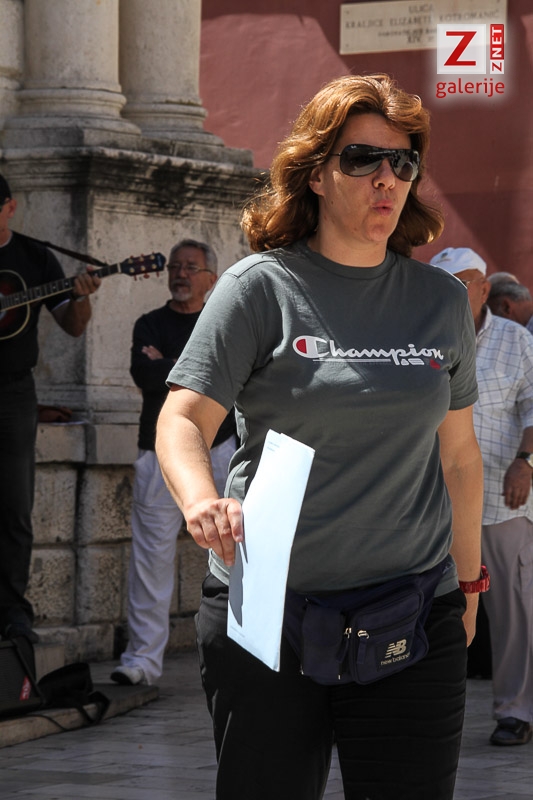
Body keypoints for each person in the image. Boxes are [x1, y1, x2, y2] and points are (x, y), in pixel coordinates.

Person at [156, 74, 484, 800]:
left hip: (411, 611)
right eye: (363, 159)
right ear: (314, 172)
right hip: (270, 612)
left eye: (403, 162)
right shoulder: (259, 287)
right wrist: (201, 501)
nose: (386, 178)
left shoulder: (439, 301)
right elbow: (181, 418)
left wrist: (468, 588)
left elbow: (460, 459)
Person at [110, 239, 236, 687]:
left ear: (211, 280)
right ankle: (142, 662)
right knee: (151, 561)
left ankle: (243, 656)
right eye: (176, 267)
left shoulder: (221, 322)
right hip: (158, 453)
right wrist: (190, 367)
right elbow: (146, 376)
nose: (181, 274)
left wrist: (167, 363)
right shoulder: (149, 323)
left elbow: (230, 377)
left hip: (223, 449)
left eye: (191, 267)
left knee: (238, 553)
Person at [431, 246, 533, 747]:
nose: (450, 294)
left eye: (461, 284)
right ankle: (423, 708)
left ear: (483, 289)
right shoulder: (419, 337)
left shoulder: (516, 340)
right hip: (431, 502)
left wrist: (526, 462)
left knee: (513, 610)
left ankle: (515, 711)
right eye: (442, 285)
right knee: (429, 606)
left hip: (501, 497)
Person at [0, 173, 101, 643]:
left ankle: (12, 612)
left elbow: (73, 326)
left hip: (13, 392)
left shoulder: (34, 258)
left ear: (10, 208)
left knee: (14, 505)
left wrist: (79, 295)